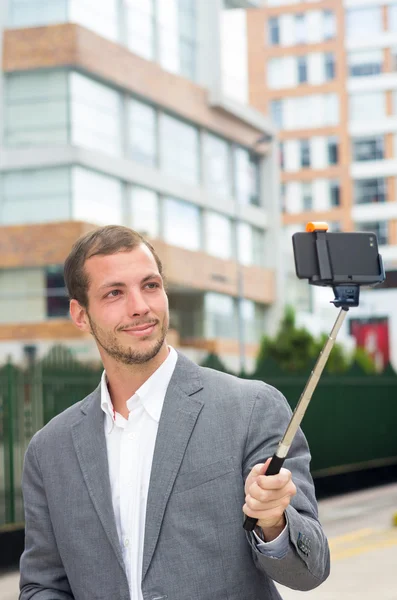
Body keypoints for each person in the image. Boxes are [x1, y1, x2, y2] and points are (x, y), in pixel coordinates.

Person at [20, 225, 330, 600]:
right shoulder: (49, 450)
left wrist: (274, 522)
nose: (140, 306)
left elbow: (310, 571)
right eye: (115, 292)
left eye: (150, 285)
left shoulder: (251, 409)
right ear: (80, 314)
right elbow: (42, 586)